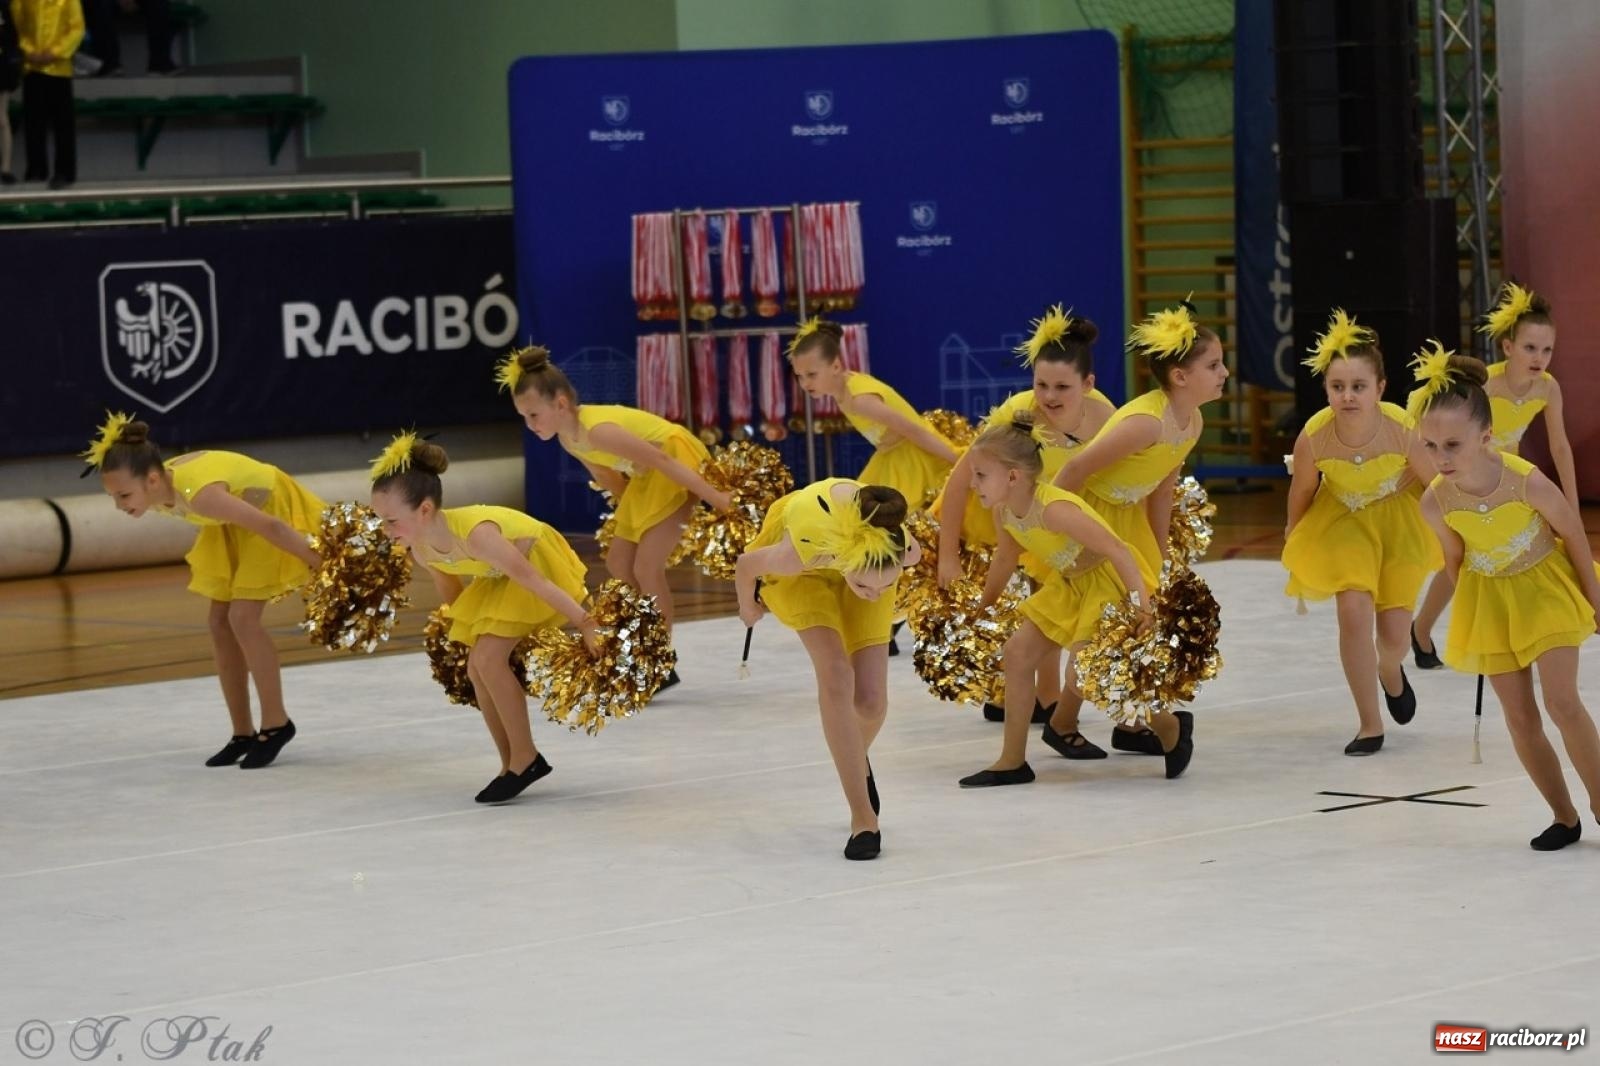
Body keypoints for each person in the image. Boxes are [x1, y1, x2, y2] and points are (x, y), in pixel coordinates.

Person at [1412, 350, 1600, 851]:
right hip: (1490, 599)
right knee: (1520, 718)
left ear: (1485, 437)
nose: (1441, 457)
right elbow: (1454, 562)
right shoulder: (1436, 500)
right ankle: (1564, 816)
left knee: (1562, 701)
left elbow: (1574, 534)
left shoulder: (1525, 480)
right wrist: (1449, 614)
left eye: (1452, 444)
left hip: (1545, 587)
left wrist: (1594, 595)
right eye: (1430, 446)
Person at [369, 432, 598, 804]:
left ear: (425, 510)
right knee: (478, 666)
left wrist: (586, 622)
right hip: (499, 577)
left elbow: (533, 579)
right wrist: (458, 640)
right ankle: (510, 761)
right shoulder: (423, 549)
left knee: (489, 659)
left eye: (391, 520)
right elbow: (453, 595)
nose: (386, 530)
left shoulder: (477, 535)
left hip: (537, 563)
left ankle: (526, 757)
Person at [85, 413, 324, 767]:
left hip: (267, 508)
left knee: (242, 617)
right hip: (228, 522)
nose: (119, 505)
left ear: (152, 480)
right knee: (218, 622)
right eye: (112, 496)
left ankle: (276, 723)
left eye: (123, 495)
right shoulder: (158, 487)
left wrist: (322, 562)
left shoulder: (199, 495)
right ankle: (241, 732)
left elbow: (270, 525)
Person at [956, 411, 1175, 787]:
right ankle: (1012, 761)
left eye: (980, 475)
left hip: (1110, 587)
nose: (972, 483)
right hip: (1070, 585)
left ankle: (1171, 728)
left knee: (1088, 673)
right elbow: (1006, 557)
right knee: (1017, 653)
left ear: (1013, 476)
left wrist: (1141, 606)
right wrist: (984, 605)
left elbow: (1119, 551)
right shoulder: (1004, 511)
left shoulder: (1055, 509)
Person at [1052, 300, 1228, 754]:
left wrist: (1161, 551)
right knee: (1106, 624)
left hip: (1128, 523)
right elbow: (1071, 474)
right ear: (1180, 376)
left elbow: (1161, 488)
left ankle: (1094, 723)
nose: (1224, 372)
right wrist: (1066, 533)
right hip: (1092, 519)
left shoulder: (1192, 421)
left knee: (1136, 617)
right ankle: (1089, 721)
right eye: (1214, 365)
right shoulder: (1145, 423)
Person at [503, 344, 731, 687]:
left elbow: (664, 461)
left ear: (561, 404)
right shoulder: (569, 438)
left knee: (646, 567)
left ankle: (659, 660)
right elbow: (609, 478)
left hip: (675, 460)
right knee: (619, 561)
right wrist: (635, 521)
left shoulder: (598, 430)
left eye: (533, 415)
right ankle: (644, 636)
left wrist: (715, 497)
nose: (529, 424)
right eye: (523, 416)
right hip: (647, 477)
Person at [935, 305, 1116, 736]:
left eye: (1062, 387)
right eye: (1040, 384)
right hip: (1015, 517)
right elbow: (961, 481)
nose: (1049, 396)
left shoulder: (1107, 417)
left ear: (1087, 385)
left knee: (1066, 603)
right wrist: (947, 556)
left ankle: (1048, 699)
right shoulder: (1018, 414)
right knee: (1037, 597)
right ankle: (1041, 698)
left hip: (1066, 520)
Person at [1281, 311, 1440, 755]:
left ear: (1380, 389)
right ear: (1326, 389)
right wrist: (1294, 534)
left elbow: (1433, 484)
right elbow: (1303, 491)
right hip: (1343, 523)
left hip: (1397, 523)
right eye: (1337, 387)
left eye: (1358, 387)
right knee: (1353, 612)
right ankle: (1370, 724)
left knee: (1392, 639)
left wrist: (1460, 530)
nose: (1348, 397)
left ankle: (1391, 671)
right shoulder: (1315, 435)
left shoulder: (1402, 428)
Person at [734, 479, 918, 860]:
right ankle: (863, 819)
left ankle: (852, 753)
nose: (876, 595)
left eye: (885, 587)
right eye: (867, 588)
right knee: (836, 675)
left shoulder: (903, 549)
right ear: (846, 564)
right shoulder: (798, 552)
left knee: (870, 705)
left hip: (855, 560)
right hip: (803, 574)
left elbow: (878, 578)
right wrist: (747, 607)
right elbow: (745, 564)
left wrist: (873, 585)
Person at [1412, 284, 1579, 670]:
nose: (1539, 358)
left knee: (1523, 559)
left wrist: (1569, 502)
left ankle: (1529, 636)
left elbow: (1560, 447)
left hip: (1511, 482)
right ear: (1508, 348)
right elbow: (1439, 432)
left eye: (1547, 349)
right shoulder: (1486, 385)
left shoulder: (1548, 389)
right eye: (1530, 348)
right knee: (1468, 561)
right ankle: (1421, 629)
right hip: (1467, 478)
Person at [12, 0, 82, 189]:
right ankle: (36, 170)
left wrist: (56, 52)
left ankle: (65, 172)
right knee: (34, 122)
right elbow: (19, 26)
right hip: (33, 67)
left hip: (59, 68)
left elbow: (76, 28)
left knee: (63, 123)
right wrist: (29, 51)